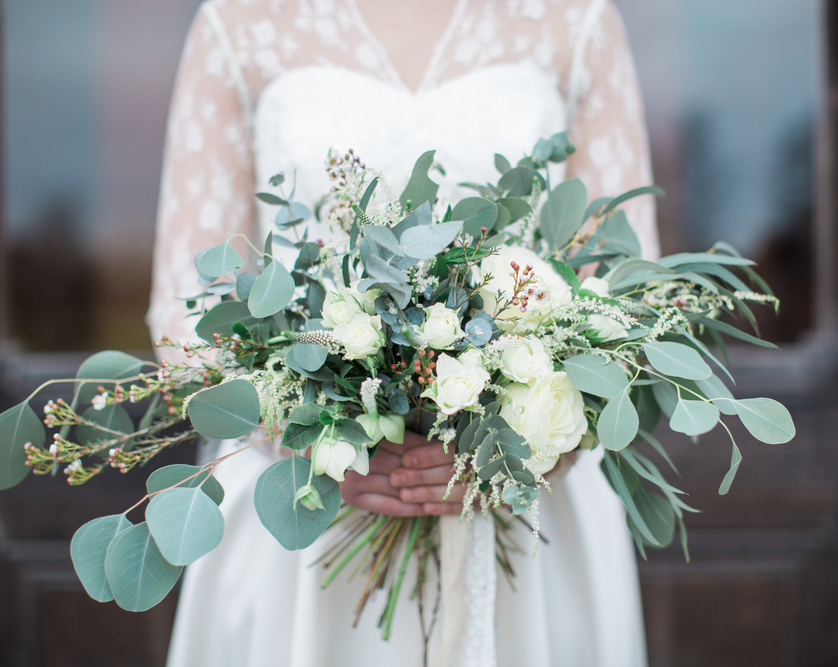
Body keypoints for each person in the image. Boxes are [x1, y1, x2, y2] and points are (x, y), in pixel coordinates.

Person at [148, 1, 658, 665]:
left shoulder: (574, 18)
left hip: (526, 508)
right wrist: (313, 435)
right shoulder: (240, 21)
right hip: (300, 506)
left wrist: (531, 447)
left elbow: (626, 292)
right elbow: (188, 316)